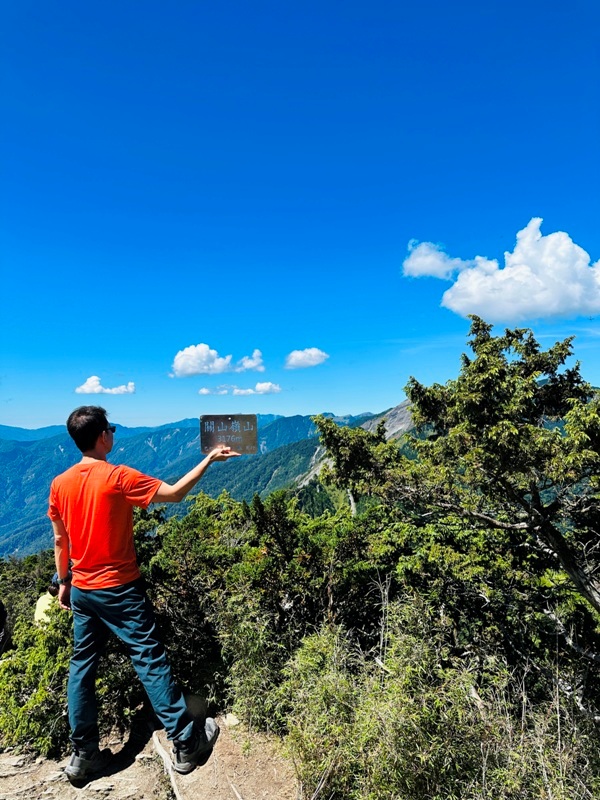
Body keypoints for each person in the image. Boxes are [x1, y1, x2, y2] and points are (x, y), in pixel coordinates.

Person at [48, 406, 240, 783]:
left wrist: (64, 582)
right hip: (120, 588)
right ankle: (187, 742)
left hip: (83, 590)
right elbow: (174, 494)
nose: (114, 434)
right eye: (112, 429)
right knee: (149, 659)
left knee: (82, 668)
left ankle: (83, 753)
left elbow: (60, 539)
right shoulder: (117, 477)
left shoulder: (60, 483)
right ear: (103, 436)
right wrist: (208, 461)